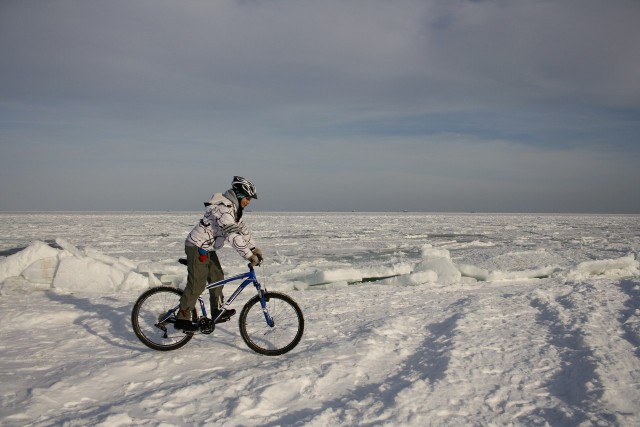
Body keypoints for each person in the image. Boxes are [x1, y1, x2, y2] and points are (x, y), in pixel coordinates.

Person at [175, 176, 262, 331]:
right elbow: (232, 235)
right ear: (239, 195)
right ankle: (182, 317)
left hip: (208, 248)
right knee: (197, 284)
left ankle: (217, 311)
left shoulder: (234, 210)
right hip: (196, 246)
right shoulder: (223, 209)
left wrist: (254, 249)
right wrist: (249, 255)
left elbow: (242, 230)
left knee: (217, 277)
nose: (249, 202)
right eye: (247, 198)